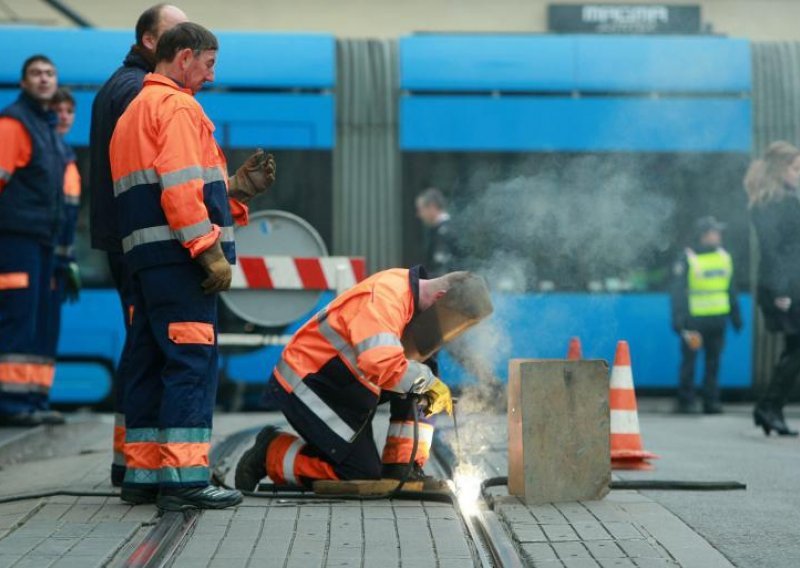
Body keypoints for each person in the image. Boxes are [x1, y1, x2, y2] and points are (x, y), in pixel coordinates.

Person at [109, 22, 275, 510]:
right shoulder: (179, 107)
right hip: (180, 264)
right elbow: (181, 191)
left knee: (148, 360)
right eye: (208, 64)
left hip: (145, 262)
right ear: (184, 58)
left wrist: (235, 194)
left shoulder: (134, 112)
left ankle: (143, 475)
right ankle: (184, 480)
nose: (210, 76)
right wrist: (209, 251)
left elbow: (164, 189)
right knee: (191, 363)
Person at [234, 268, 476, 492]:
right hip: (311, 383)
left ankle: (402, 467)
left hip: (346, 384)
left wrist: (427, 381)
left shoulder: (413, 304)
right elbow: (379, 362)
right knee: (360, 475)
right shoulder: (385, 297)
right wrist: (428, 383)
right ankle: (270, 453)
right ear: (439, 298)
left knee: (423, 369)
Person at [89, 3, 187, 487]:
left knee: (142, 347)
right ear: (151, 42)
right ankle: (139, 465)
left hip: (127, 241)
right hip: (141, 245)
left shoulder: (123, 86)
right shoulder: (139, 94)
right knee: (148, 350)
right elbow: (158, 173)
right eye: (177, 35)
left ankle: (131, 463)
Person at [0, 55, 67, 427]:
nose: (43, 79)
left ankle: (32, 401)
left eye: (49, 73)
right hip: (15, 240)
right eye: (36, 74)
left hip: (39, 239)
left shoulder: (45, 125)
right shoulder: (14, 123)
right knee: (17, 320)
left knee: (36, 321)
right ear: (23, 82)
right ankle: (11, 405)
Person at [745, 141, 800, 436]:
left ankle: (770, 409)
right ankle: (768, 407)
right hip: (784, 287)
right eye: (795, 168)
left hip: (789, 284)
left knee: (794, 348)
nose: (799, 173)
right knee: (797, 348)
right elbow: (773, 250)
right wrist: (781, 290)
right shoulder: (775, 204)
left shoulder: (777, 201)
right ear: (780, 170)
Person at [670, 216, 742, 414]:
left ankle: (711, 401)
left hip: (717, 321)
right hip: (694, 322)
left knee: (713, 363)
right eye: (714, 232)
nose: (718, 235)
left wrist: (736, 316)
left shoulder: (724, 257)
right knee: (690, 362)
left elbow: (731, 288)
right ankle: (686, 401)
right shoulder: (688, 258)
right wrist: (678, 318)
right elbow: (677, 291)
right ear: (703, 236)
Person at [416, 188, 457, 277]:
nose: (419, 215)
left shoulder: (444, 233)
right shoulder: (446, 229)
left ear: (432, 207)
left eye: (421, 209)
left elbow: (441, 271)